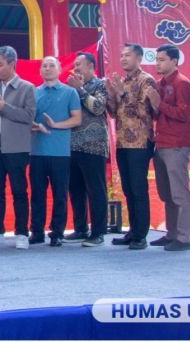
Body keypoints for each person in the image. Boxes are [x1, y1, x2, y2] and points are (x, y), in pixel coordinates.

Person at [0, 45, 36, 249]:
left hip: (17, 147)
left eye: (0, 65)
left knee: (19, 190)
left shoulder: (27, 87)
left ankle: (21, 233)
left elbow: (29, 117)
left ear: (12, 64)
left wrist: (5, 107)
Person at [106, 43, 157, 250]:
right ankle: (133, 231)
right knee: (127, 189)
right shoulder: (122, 81)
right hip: (122, 143)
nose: (123, 59)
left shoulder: (147, 80)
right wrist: (112, 95)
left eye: (128, 55)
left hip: (140, 142)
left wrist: (124, 95)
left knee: (138, 189)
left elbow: (147, 113)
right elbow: (113, 112)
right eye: (121, 55)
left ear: (139, 58)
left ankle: (141, 235)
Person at [146, 44, 190, 252]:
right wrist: (154, 105)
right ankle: (172, 233)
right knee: (166, 192)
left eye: (162, 59)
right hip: (162, 142)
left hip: (177, 144)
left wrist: (160, 103)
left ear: (174, 61)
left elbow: (184, 115)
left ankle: (184, 238)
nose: (158, 63)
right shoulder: (160, 83)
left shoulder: (182, 84)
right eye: (156, 59)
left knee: (179, 192)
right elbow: (159, 115)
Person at [30, 57, 82, 247]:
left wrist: (54, 126)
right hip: (37, 151)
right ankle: (36, 232)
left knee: (60, 193)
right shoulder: (34, 92)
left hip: (60, 151)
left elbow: (76, 119)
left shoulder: (70, 92)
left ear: (60, 69)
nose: (48, 68)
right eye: (44, 65)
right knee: (37, 194)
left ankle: (57, 232)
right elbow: (26, 118)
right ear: (40, 70)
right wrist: (34, 125)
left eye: (52, 65)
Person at [65, 51, 109, 247]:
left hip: (94, 145)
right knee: (75, 189)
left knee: (96, 189)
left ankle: (98, 232)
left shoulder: (101, 84)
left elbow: (98, 107)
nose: (76, 68)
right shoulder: (71, 88)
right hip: (72, 144)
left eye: (79, 64)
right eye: (74, 64)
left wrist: (81, 89)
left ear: (91, 66)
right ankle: (80, 228)